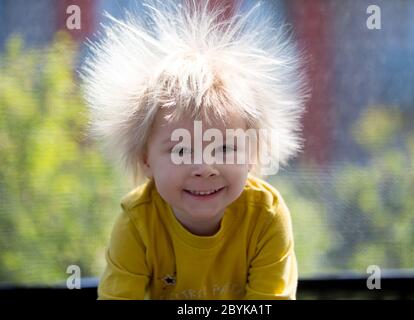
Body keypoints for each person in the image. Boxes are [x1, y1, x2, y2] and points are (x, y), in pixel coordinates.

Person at [81, 0, 308, 300]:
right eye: (182, 151)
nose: (204, 166)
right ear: (146, 159)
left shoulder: (266, 218)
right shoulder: (137, 223)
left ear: (252, 155)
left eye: (224, 148)